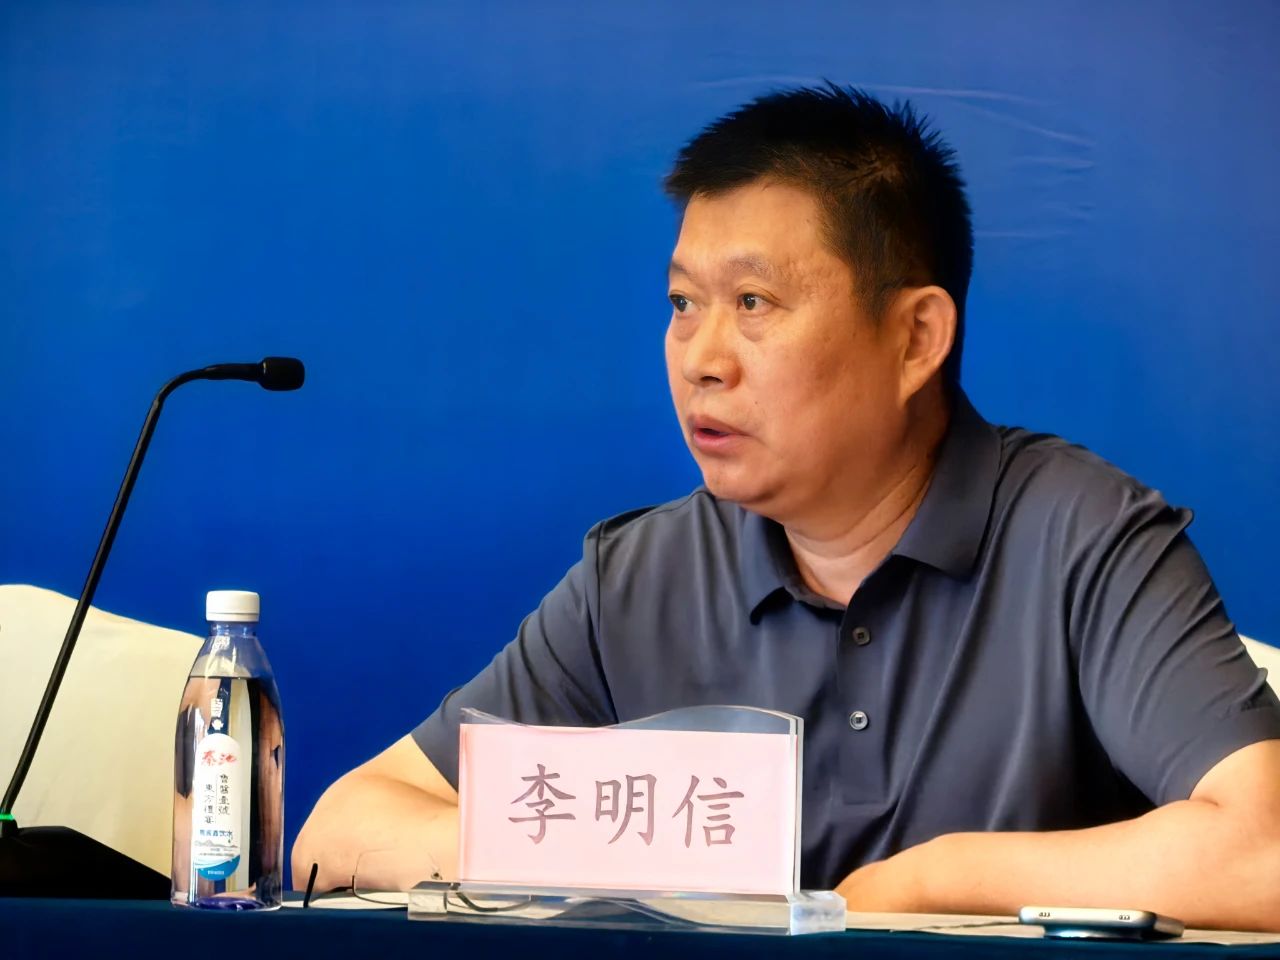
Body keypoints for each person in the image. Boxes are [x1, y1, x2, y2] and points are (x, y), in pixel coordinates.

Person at [293, 85, 1280, 928]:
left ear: (915, 339)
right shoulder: (640, 577)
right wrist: (623, 849)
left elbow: (1262, 852)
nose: (701, 358)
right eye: (683, 304)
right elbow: (340, 832)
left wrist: (928, 881)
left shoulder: (1081, 538)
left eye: (753, 304)